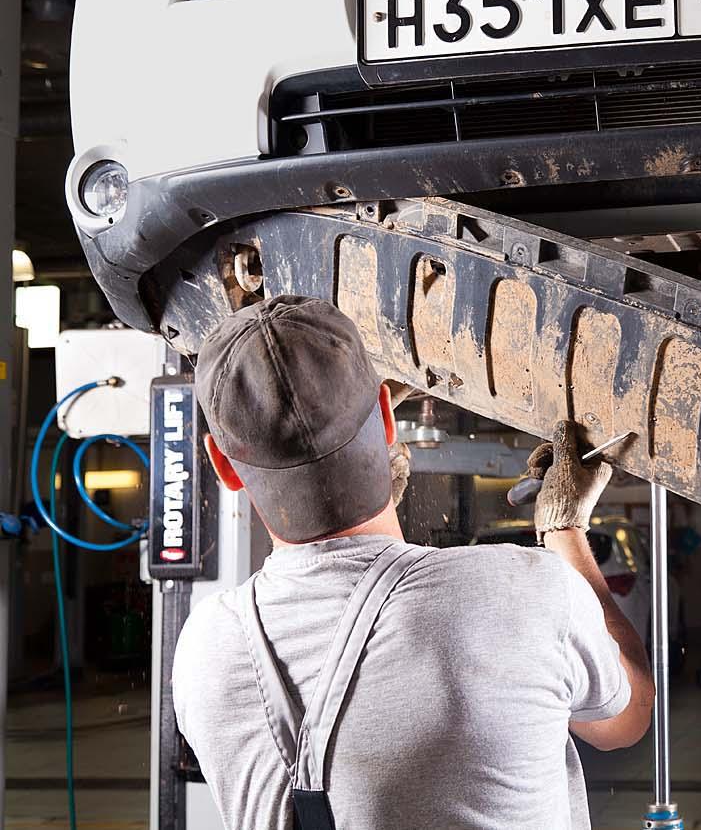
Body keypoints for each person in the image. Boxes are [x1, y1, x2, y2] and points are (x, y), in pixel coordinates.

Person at [172, 295, 654, 829]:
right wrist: (564, 530)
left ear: (223, 466)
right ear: (386, 416)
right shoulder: (524, 593)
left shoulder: (205, 648)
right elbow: (627, 717)